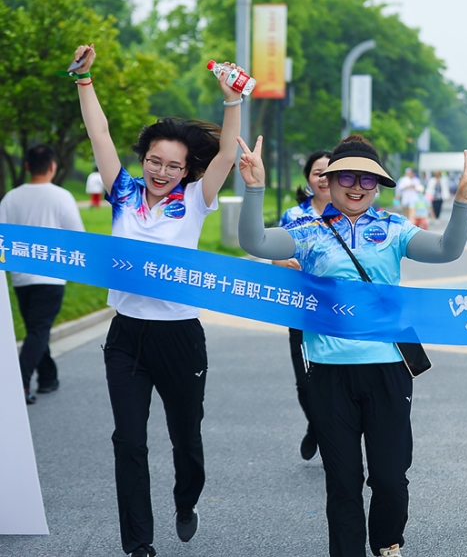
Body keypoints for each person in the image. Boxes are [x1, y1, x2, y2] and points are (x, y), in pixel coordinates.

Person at [238, 134, 467, 557]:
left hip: (388, 369)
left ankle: (388, 541)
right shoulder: (308, 231)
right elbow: (255, 243)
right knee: (343, 481)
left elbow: (446, 250)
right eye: (347, 177)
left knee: (390, 478)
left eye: (368, 180)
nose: (357, 186)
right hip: (328, 372)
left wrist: (463, 200)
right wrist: (253, 187)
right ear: (330, 181)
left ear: (379, 187)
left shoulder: (393, 229)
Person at [73, 43, 242, 557]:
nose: (160, 171)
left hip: (179, 338)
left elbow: (229, 155)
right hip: (126, 335)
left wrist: (232, 101)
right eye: (153, 161)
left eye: (173, 164)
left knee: (186, 441)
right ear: (142, 160)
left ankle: (186, 500)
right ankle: (139, 544)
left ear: (188, 170)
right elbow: (99, 134)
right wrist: (84, 80)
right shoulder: (122, 192)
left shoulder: (195, 200)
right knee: (129, 440)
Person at [0, 144, 85, 405]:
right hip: (51, 277)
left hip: (22, 278)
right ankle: (20, 385)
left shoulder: (10, 198)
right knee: (38, 330)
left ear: (26, 166)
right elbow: (77, 236)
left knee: (38, 328)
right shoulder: (61, 197)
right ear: (52, 166)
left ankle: (48, 377)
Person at [275, 149, 332, 461]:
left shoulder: (350, 212)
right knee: (304, 380)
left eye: (329, 172)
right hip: (300, 308)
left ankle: (327, 428)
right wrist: (287, 263)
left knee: (332, 377)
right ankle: (316, 424)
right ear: (308, 179)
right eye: (317, 173)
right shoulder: (293, 216)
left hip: (337, 313)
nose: (323, 179)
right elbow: (277, 258)